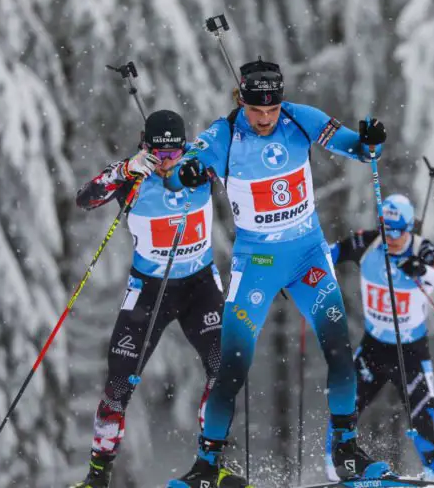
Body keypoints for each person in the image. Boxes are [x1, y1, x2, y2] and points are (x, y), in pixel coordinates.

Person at [163, 58, 391, 488]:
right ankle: (206, 466)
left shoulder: (301, 119)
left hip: (308, 258)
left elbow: (360, 150)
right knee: (232, 365)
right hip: (258, 264)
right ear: (242, 101)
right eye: (256, 110)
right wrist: (186, 173)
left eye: (272, 110)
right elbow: (180, 173)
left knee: (340, 350)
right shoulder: (225, 134)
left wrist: (370, 140)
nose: (265, 119)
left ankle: (346, 450)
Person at [70, 110, 224, 488]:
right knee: (118, 384)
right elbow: (85, 199)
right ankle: (97, 477)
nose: (167, 162)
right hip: (150, 291)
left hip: (200, 287)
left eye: (174, 153)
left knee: (224, 368)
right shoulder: (133, 178)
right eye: (158, 154)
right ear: (145, 147)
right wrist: (125, 170)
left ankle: (209, 466)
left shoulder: (202, 167)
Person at [324, 193, 434, 481]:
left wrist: (423, 271)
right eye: (386, 230)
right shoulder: (367, 243)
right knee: (343, 408)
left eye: (398, 232)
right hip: (374, 348)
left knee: (423, 422)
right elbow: (328, 255)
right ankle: (334, 469)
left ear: (409, 227)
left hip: (411, 352)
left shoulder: (423, 250)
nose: (391, 238)